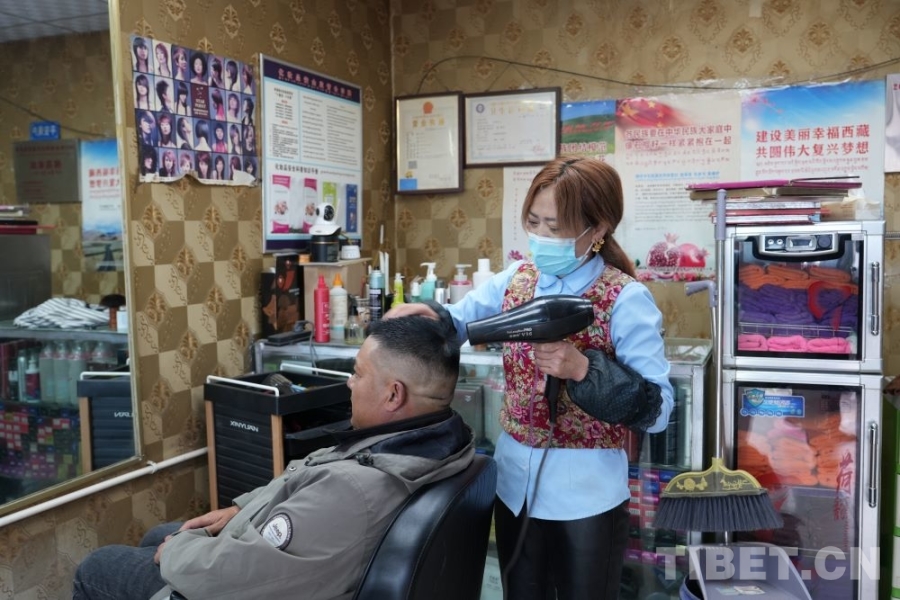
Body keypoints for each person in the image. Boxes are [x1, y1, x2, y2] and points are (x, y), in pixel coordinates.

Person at [385, 156, 673, 600]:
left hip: (587, 497)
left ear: (597, 229)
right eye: (533, 223)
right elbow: (462, 321)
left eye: (554, 227)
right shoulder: (517, 280)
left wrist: (582, 369)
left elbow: (658, 410)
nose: (540, 237)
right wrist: (432, 317)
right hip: (514, 487)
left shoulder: (625, 299)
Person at [72, 314, 473, 600]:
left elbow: (236, 577)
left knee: (98, 566)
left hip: (250, 580)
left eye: (358, 373)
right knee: (156, 535)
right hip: (298, 557)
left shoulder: (352, 490)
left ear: (393, 394)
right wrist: (240, 509)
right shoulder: (438, 442)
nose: (350, 384)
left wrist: (176, 553)